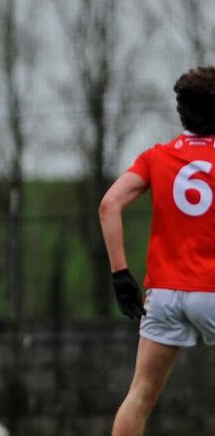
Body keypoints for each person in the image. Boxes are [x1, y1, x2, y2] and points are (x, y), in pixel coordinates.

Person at [100, 66, 215, 436]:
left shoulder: (157, 156)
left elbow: (109, 205)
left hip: (163, 295)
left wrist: (121, 276)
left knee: (140, 394)